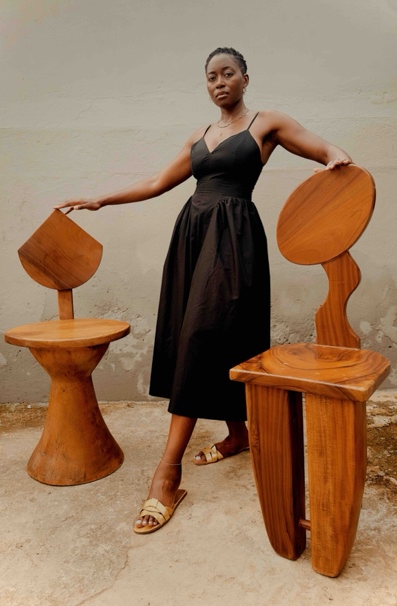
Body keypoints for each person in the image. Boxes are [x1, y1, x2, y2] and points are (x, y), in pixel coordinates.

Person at [55, 47, 352, 534]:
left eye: (228, 73)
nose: (219, 82)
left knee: (202, 336)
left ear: (245, 78)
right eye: (211, 76)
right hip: (192, 236)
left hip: (233, 240)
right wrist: (100, 200)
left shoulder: (266, 123)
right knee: (200, 336)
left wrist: (336, 158)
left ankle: (166, 474)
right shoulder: (199, 135)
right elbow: (158, 181)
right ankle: (238, 435)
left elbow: (324, 149)